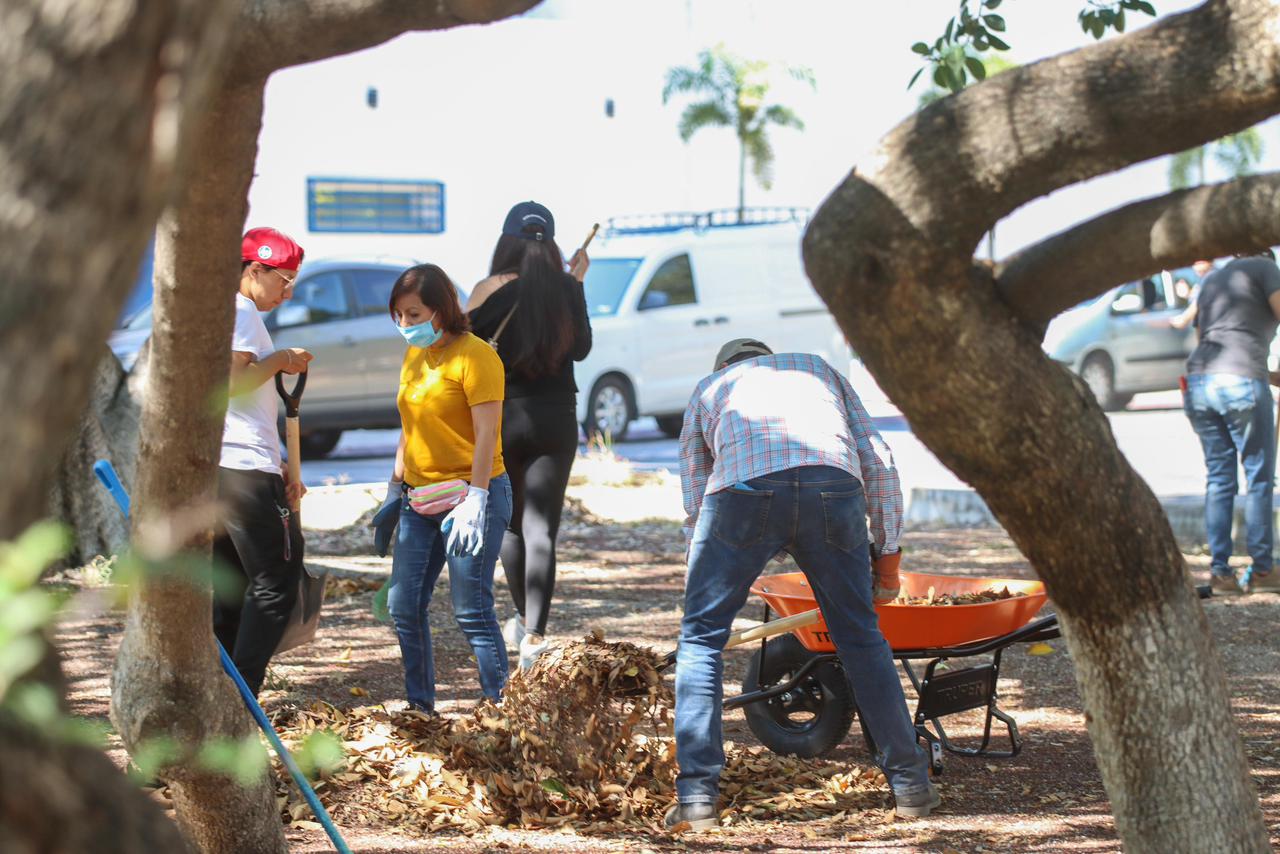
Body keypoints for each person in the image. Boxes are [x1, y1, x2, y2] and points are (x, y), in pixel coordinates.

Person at [665, 338, 936, 832]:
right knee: (859, 637)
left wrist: (702, 584)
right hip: (831, 485)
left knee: (701, 642)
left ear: (725, 368)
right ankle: (910, 784)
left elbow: (696, 497)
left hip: (743, 494)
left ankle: (698, 798)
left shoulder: (709, 388)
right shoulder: (817, 370)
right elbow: (878, 460)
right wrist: (889, 559)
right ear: (768, 358)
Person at [382, 263, 513, 712]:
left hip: (472, 496)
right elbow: (410, 424)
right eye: (399, 315)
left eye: (414, 314)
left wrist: (477, 499)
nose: (405, 325)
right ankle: (421, 707)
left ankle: (501, 709)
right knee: (403, 606)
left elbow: (487, 437)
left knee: (471, 609)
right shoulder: (415, 355)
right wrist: (392, 489)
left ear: (440, 309)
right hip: (418, 498)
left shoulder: (477, 357)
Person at [467, 201, 592, 670]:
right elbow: (580, 347)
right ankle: (535, 635)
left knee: (512, 524)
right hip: (557, 418)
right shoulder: (564, 288)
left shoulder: (487, 289)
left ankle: (522, 617)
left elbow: (464, 352)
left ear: (507, 242)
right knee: (543, 528)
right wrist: (576, 284)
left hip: (502, 416)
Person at [213, 226, 314, 696]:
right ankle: (242, 698)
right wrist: (281, 359)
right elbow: (234, 385)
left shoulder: (223, 311)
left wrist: (282, 461)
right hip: (244, 470)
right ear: (255, 270)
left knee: (234, 588)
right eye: (283, 280)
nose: (288, 292)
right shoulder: (242, 312)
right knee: (276, 583)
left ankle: (221, 689)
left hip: (227, 465)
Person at [1183, 250, 1280, 595]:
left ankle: (1220, 573)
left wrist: (1267, 375)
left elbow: (1206, 339)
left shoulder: (1213, 280)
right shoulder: (1267, 268)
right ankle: (1263, 571)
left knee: (1220, 479)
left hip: (1199, 382)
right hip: (1241, 384)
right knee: (1258, 478)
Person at [1170, 259, 1215, 331]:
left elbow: (1199, 302)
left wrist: (1183, 319)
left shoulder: (1213, 276)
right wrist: (1188, 295)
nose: (1196, 265)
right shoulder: (1202, 280)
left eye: (1200, 261)